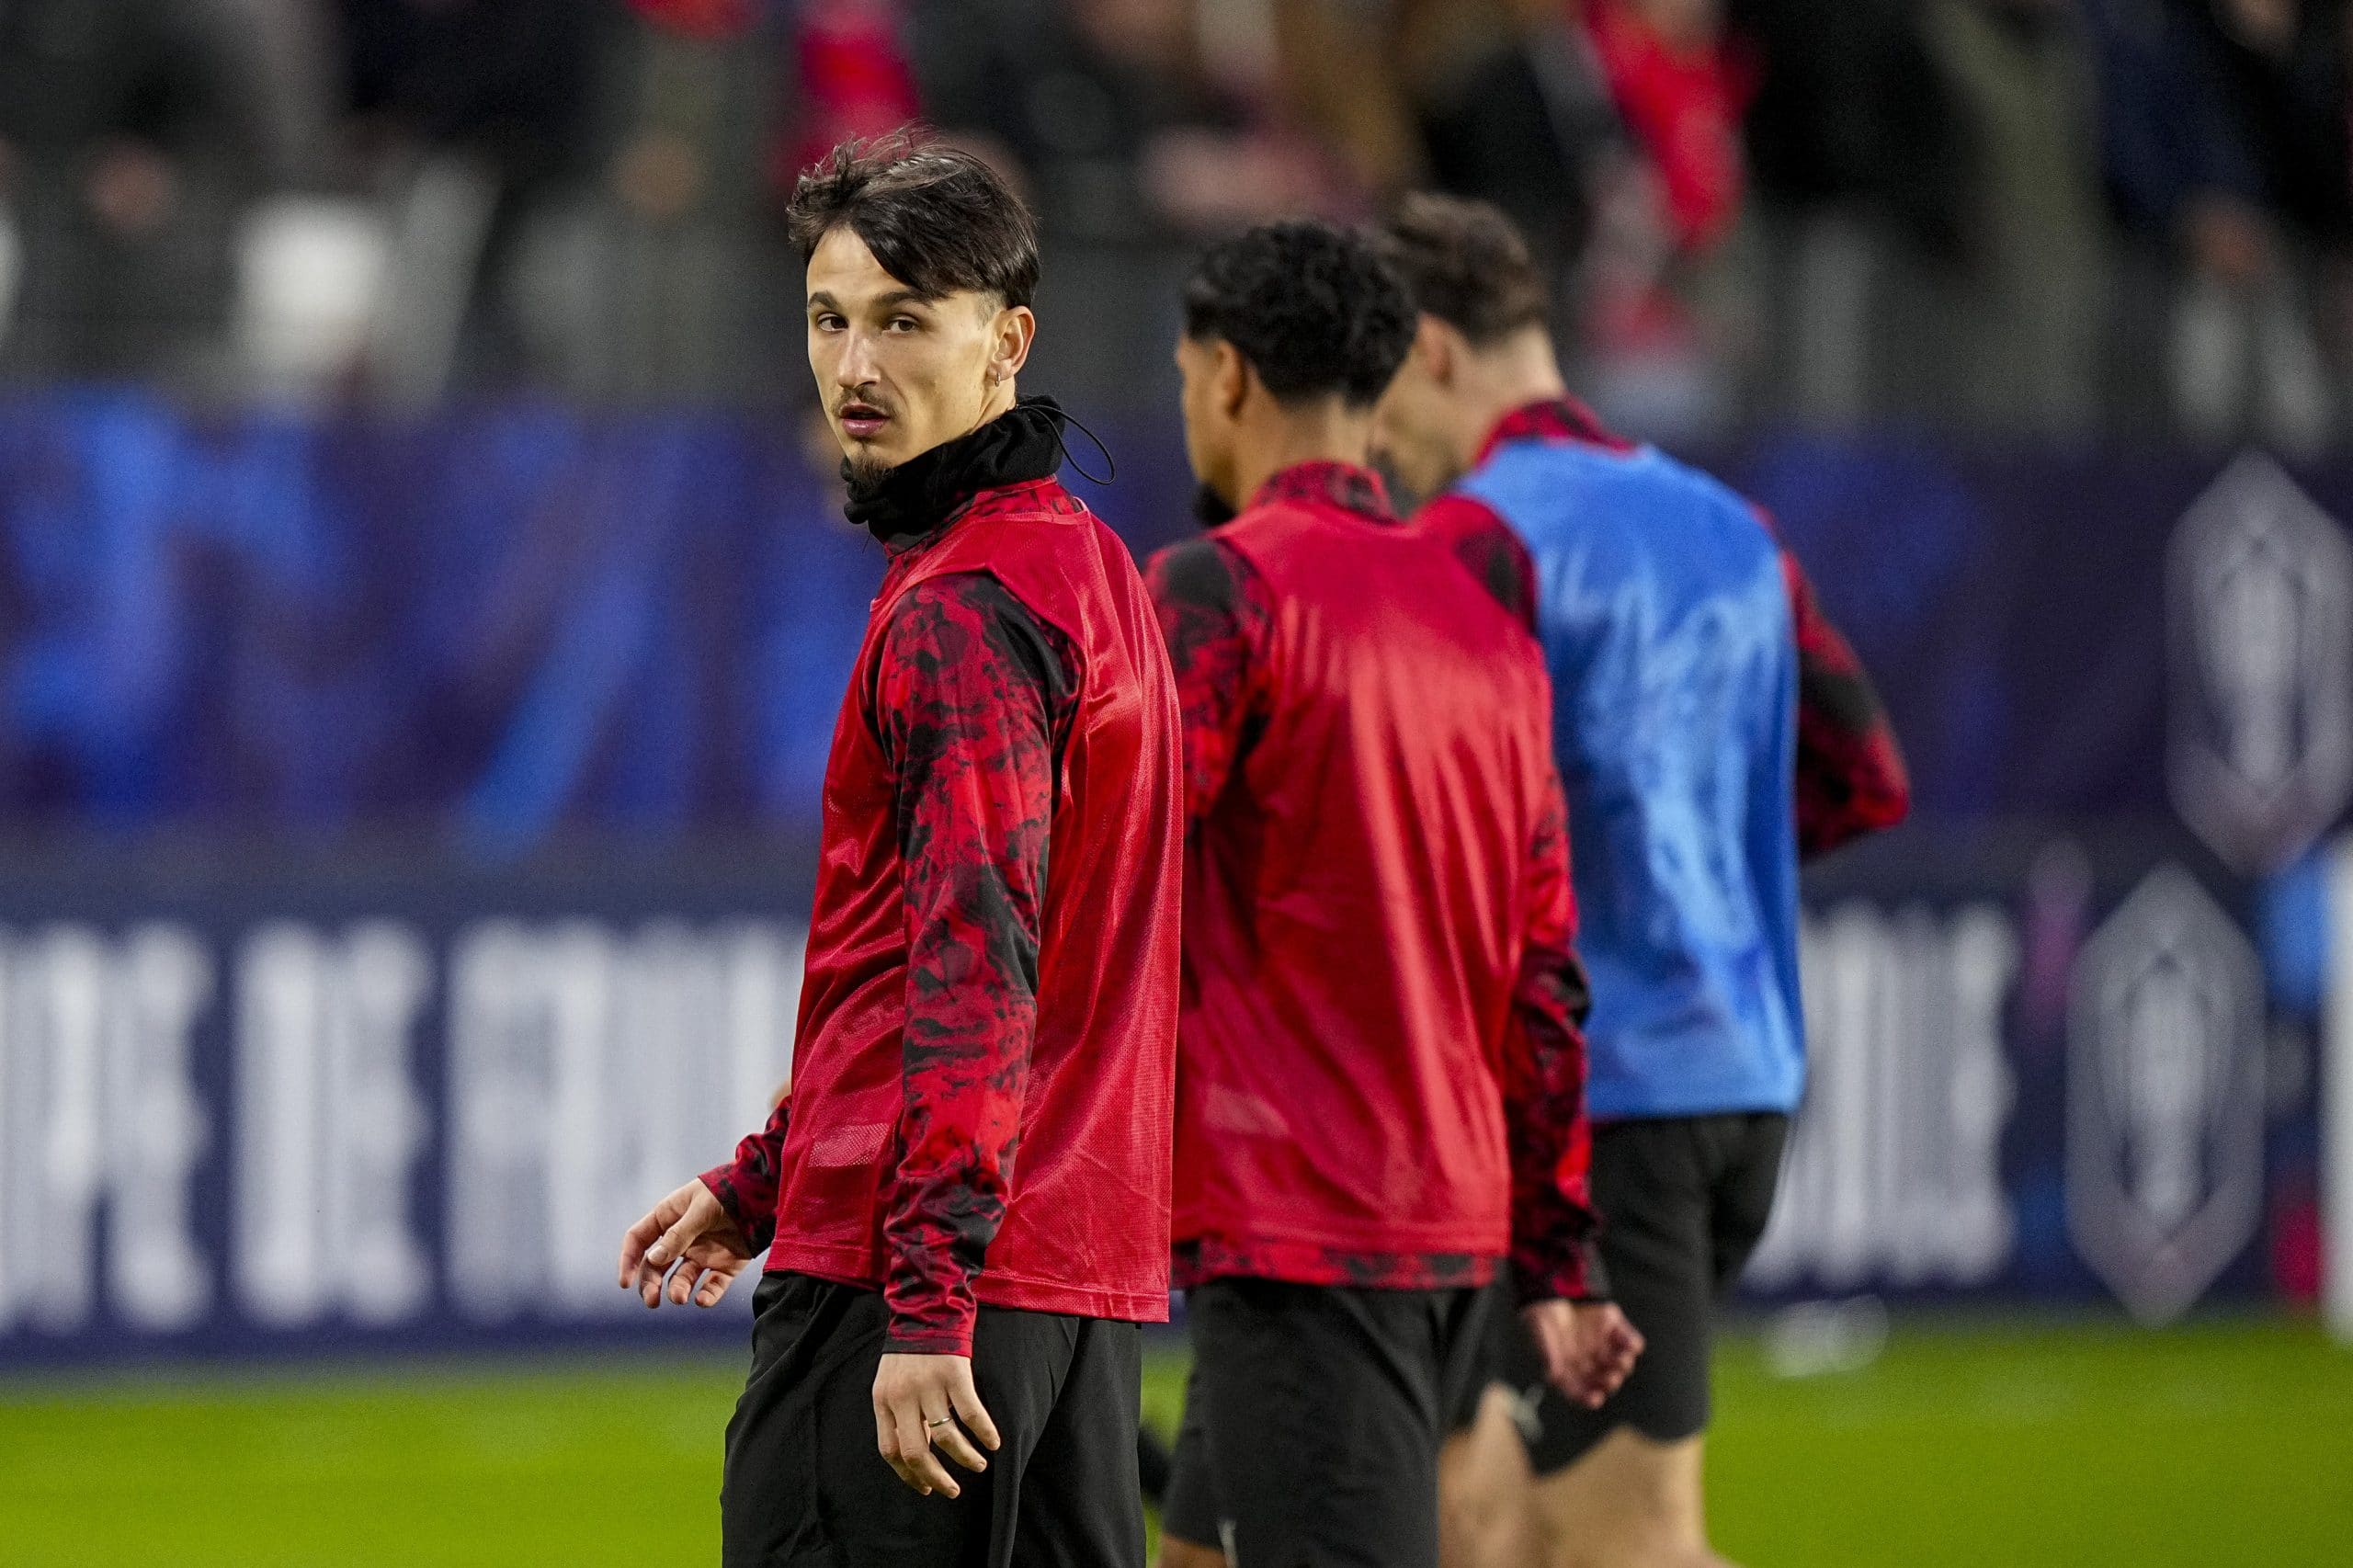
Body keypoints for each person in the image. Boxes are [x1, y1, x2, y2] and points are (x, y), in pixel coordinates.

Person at [614, 131, 1184, 1568]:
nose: (855, 365)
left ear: (1010, 341)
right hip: (1078, 1287)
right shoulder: (1090, 567)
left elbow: (974, 969)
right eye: (829, 318)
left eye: (903, 320)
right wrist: (761, 1180)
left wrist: (925, 1303)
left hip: (919, 1288)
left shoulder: (963, 608)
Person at [1370, 192, 1913, 1568]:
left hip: (1598, 1113)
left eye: (1379, 389)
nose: (1373, 437)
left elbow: (1421, 828)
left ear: (1431, 351)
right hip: (1740, 1082)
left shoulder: (1474, 541)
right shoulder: (1731, 525)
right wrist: (1694, 865)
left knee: (1625, 1546)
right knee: (1495, 1525)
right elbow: (1864, 781)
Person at [1144, 217, 1643, 1568]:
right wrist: (1555, 1251)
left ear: (1230, 377)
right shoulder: (1487, 624)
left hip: (1300, 1231)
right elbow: (1545, 977)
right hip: (1445, 1226)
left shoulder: (1217, 593)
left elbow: (1102, 894)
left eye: (1188, 377)